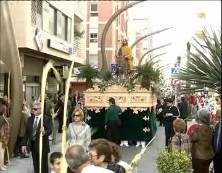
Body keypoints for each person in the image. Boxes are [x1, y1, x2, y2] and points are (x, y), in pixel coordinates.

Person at [22, 101, 52, 173]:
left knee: (43, 165)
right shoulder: (30, 119)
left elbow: (50, 130)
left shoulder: (46, 119)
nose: (33, 111)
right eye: (33, 109)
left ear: (40, 109)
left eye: (35, 109)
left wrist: (44, 132)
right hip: (33, 145)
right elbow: (26, 133)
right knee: (35, 165)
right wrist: (24, 144)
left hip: (42, 146)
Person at [188, 108, 214, 173]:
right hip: (209, 156)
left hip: (199, 157)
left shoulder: (198, 129)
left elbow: (191, 138)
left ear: (199, 117)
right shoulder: (211, 128)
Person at [0, 104, 10, 171]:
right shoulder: (1, 117)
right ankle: (1, 165)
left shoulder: (3, 116)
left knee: (2, 151)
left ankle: (2, 164)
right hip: (1, 137)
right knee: (1, 152)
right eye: (5, 109)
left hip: (4, 137)